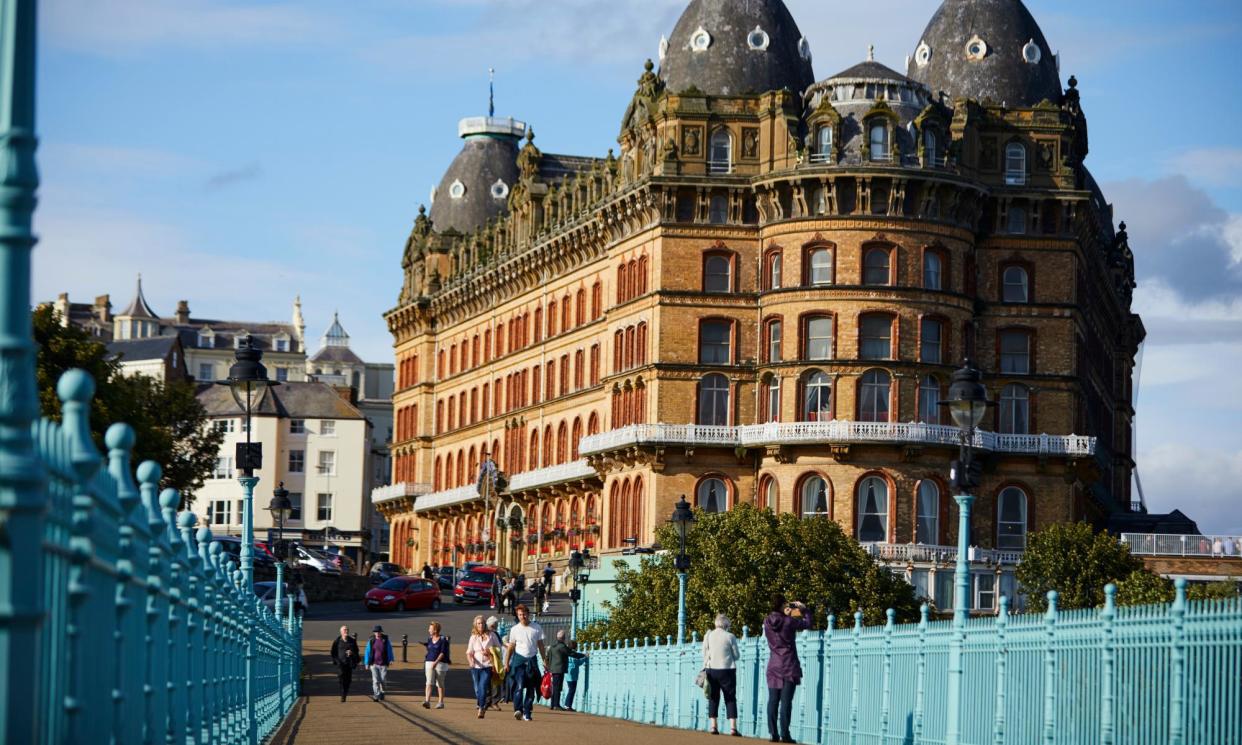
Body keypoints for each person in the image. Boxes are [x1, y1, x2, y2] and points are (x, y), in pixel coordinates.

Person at [764, 595, 810, 744]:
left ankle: (772, 734)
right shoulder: (789, 621)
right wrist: (803, 609)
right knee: (786, 702)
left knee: (773, 701)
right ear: (782, 605)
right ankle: (785, 734)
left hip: (774, 665)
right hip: (789, 665)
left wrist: (787, 612)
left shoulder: (766, 621)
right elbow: (807, 623)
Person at [503, 604, 547, 721]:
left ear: (528, 614)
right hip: (519, 661)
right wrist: (506, 663)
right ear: (518, 616)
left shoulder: (536, 627)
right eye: (520, 615)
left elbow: (541, 646)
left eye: (524, 614)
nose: (523, 617)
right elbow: (511, 647)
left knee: (531, 688)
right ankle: (518, 709)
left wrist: (544, 659)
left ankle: (527, 712)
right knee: (519, 685)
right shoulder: (514, 629)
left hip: (532, 660)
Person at [703, 613, 741, 736]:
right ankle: (733, 728)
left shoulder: (708, 636)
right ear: (726, 624)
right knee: (730, 697)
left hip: (711, 669)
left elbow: (704, 653)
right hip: (727, 670)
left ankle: (713, 726)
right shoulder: (730, 636)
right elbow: (736, 656)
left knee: (713, 697)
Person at [467, 615, 500, 718]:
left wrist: (489, 651)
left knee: (483, 686)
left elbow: (499, 648)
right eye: (478, 623)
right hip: (475, 666)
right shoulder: (473, 637)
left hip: (487, 665)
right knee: (477, 689)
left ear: (485, 624)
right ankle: (482, 703)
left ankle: (481, 708)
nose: (481, 625)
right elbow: (469, 652)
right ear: (475, 625)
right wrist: (471, 662)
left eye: (482, 623)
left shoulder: (491, 635)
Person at [545, 629, 585, 710]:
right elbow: (572, 653)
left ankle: (553, 704)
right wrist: (583, 655)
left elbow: (547, 658)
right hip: (559, 670)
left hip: (552, 669)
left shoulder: (552, 647)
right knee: (558, 687)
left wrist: (549, 668)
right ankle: (556, 705)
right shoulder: (562, 647)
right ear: (563, 638)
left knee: (554, 687)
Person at [419, 621, 450, 709]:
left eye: (430, 629)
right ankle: (427, 701)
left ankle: (440, 702)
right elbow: (430, 648)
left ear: (435, 630)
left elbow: (442, 653)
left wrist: (435, 662)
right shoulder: (429, 639)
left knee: (440, 683)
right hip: (429, 662)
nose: (429, 630)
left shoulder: (443, 640)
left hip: (440, 664)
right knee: (428, 682)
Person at [363, 624, 395, 702]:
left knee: (383, 680)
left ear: (381, 632)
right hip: (373, 664)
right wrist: (366, 663)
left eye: (378, 632)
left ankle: (382, 692)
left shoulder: (385, 640)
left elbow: (389, 650)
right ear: (374, 633)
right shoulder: (371, 640)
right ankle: (376, 695)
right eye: (376, 632)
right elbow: (367, 651)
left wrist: (391, 659)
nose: (377, 633)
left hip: (383, 664)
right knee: (376, 680)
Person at [330, 625, 359, 702]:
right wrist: (336, 661)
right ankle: (343, 695)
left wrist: (352, 653)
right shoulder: (337, 641)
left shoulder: (352, 641)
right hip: (340, 664)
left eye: (347, 630)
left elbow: (357, 651)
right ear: (341, 632)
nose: (346, 631)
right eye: (345, 630)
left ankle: (345, 693)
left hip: (349, 664)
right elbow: (333, 653)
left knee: (348, 680)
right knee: (341, 678)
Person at [486, 616, 507, 709]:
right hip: (489, 660)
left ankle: (492, 701)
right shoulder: (489, 634)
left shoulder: (495, 634)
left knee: (493, 681)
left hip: (494, 660)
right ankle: (489, 701)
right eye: (496, 624)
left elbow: (500, 645)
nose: (497, 625)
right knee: (490, 681)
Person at [563, 640, 588, 711]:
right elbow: (578, 662)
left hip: (568, 674)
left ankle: (567, 705)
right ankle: (568, 705)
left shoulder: (567, 653)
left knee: (570, 689)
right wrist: (585, 658)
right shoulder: (573, 654)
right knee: (572, 690)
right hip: (573, 674)